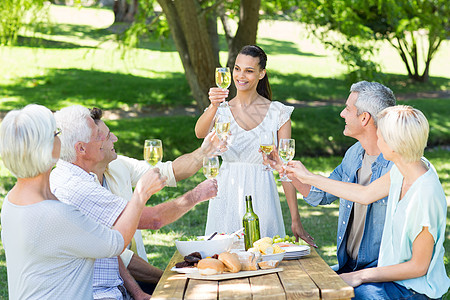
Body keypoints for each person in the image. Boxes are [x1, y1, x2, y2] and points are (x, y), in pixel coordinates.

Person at [50, 105, 218, 300]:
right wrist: (195, 195)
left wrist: (137, 292)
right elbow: (154, 220)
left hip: (118, 287)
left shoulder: (82, 172)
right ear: (81, 149)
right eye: (101, 136)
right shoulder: (77, 188)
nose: (114, 139)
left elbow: (108, 246)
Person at [0, 104, 166, 299]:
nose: (60, 138)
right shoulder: (57, 214)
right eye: (56, 134)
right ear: (49, 149)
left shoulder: (10, 203)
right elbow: (115, 243)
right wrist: (141, 193)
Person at [285, 105, 450, 299]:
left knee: (342, 293)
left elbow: (418, 267)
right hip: (390, 279)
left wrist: (360, 276)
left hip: (414, 289)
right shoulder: (404, 168)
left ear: (395, 145)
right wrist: (308, 177)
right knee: (316, 284)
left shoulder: (425, 194)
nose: (377, 142)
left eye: (381, 138)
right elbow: (364, 194)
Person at [264, 81, 396, 273]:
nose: (342, 113)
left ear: (364, 118)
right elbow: (320, 195)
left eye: (348, 109)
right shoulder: (354, 154)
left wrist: (309, 176)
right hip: (349, 266)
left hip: (380, 271)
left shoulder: (398, 165)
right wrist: (282, 167)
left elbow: (365, 194)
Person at [195, 45, 314, 245]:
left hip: (263, 194)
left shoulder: (278, 113)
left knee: (264, 257)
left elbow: (285, 169)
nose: (241, 76)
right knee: (224, 256)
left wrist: (295, 219)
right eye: (237, 69)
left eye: (249, 71)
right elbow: (200, 133)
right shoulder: (221, 110)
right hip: (226, 194)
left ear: (261, 74)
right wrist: (214, 105)